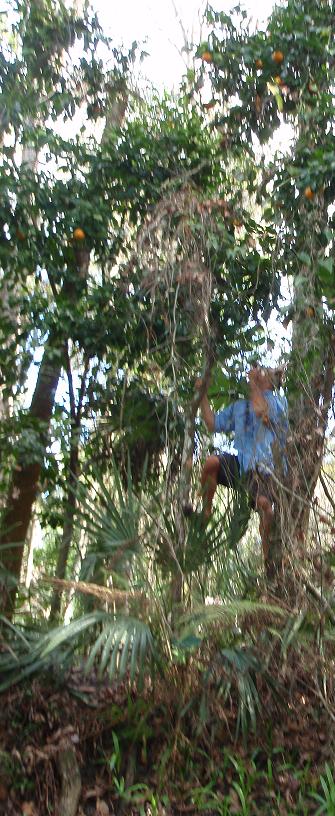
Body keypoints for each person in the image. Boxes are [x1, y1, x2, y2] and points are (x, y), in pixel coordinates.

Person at [193, 365, 288, 563]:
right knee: (211, 463)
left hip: (266, 469)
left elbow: (261, 411)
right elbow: (212, 423)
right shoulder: (239, 407)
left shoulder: (278, 402)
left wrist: (253, 383)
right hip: (243, 465)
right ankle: (206, 512)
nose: (257, 374)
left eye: (262, 373)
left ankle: (267, 557)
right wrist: (202, 395)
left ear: (271, 381)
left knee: (264, 506)